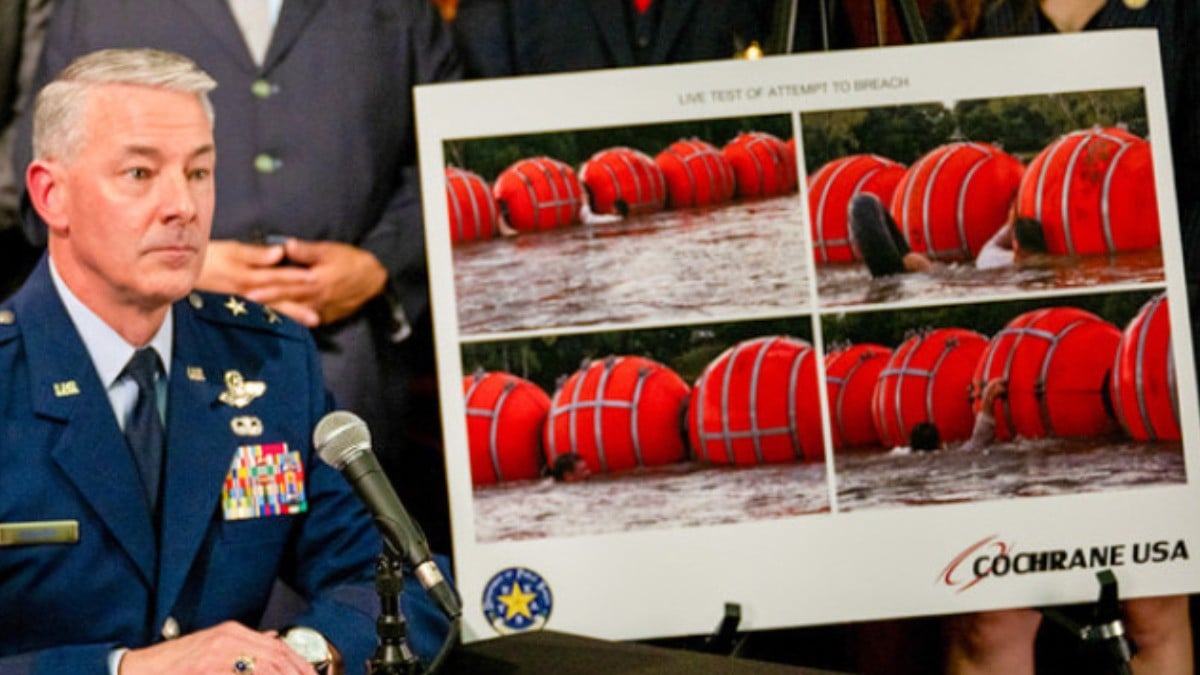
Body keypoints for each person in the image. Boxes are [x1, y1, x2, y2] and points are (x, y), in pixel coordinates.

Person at [0, 48, 446, 674]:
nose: (183, 205)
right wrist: (126, 670)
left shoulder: (268, 362)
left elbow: (399, 580)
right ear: (52, 195)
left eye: (200, 172)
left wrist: (300, 654)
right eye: (139, 174)